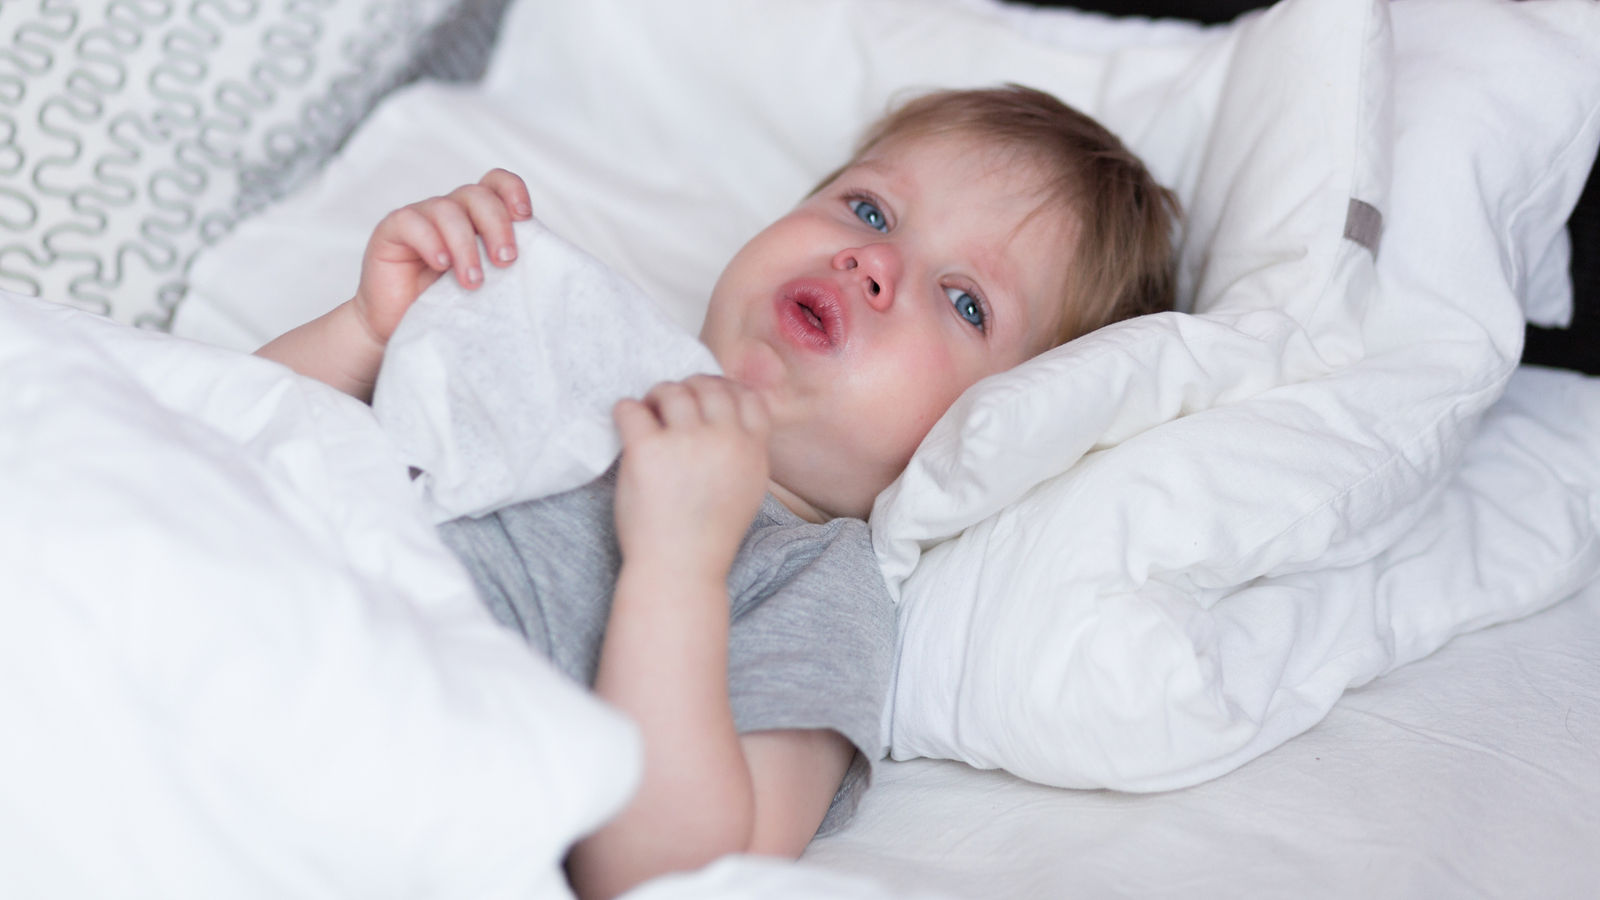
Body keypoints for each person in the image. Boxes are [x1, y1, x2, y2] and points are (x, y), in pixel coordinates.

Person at [257, 85, 1179, 900]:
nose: (872, 263)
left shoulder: (819, 583)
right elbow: (228, 437)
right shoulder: (574, 342)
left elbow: (676, 872)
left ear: (986, 428)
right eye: (868, 207)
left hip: (352, 767)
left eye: (965, 300)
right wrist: (367, 334)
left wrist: (677, 568)